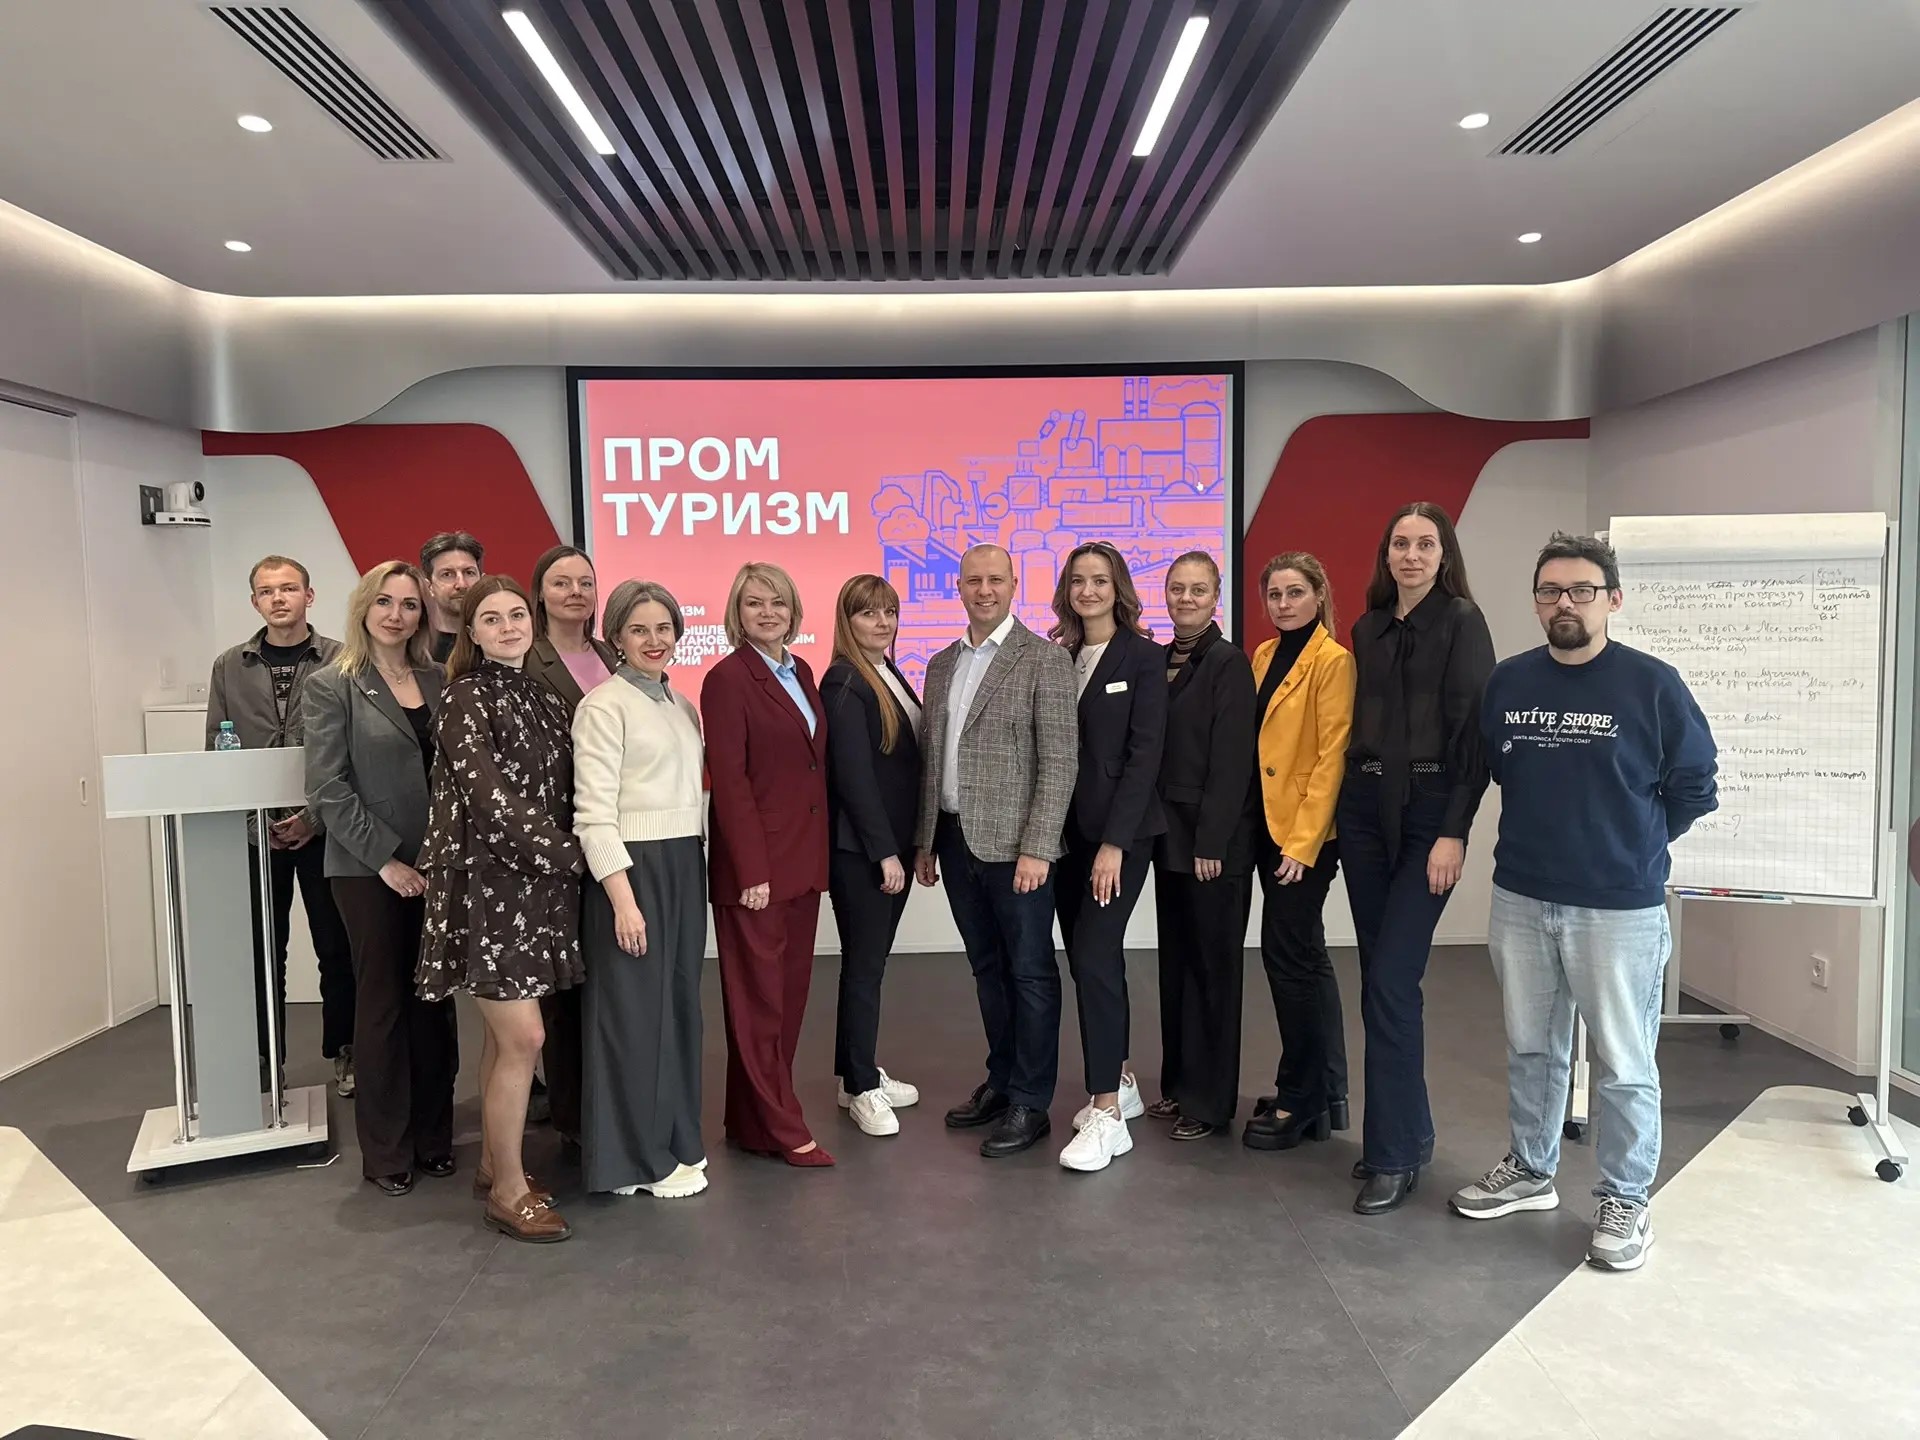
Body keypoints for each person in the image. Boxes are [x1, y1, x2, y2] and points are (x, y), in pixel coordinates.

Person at [1453, 533, 1717, 1273]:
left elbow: (1695, 786)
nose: (1564, 603)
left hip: (1618, 907)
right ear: (1536, 601)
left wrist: (1632, 844)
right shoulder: (1509, 682)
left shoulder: (1652, 685)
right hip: (1522, 895)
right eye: (1550, 591)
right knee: (1532, 1047)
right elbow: (1495, 770)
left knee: (1624, 1061)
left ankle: (1626, 1198)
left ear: (1613, 600)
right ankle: (1531, 1169)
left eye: (1581, 590)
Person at [415, 575, 584, 1242]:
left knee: (499, 1038)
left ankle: (493, 1165)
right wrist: (572, 853)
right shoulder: (464, 696)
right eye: (492, 618)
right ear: (471, 631)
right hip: (487, 888)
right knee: (525, 1039)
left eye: (517, 614)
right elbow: (489, 799)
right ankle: (509, 1195)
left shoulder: (541, 696)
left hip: (534, 886)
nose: (509, 626)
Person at [1341, 502, 1496, 1215]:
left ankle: (1395, 1154)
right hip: (1365, 811)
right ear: (1386, 554)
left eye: (1424, 544)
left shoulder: (1462, 621)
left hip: (1429, 813)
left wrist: (1454, 831)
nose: (1410, 555)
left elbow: (1473, 736)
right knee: (1380, 977)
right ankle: (1403, 1134)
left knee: (1393, 980)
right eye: (1399, 543)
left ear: (1443, 554)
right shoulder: (1367, 628)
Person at [916, 544, 1078, 1160]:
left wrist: (1039, 847)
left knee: (1030, 972)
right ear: (958, 587)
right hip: (956, 840)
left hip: (1018, 850)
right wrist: (926, 839)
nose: (984, 590)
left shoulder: (1044, 660)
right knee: (987, 968)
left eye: (995, 580)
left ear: (1014, 584)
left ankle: (1031, 1102)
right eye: (973, 581)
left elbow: (1060, 761)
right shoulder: (941, 664)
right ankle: (1003, 1081)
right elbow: (934, 759)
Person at [302, 561, 457, 1196]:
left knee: (435, 1003)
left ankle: (434, 1138)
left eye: (410, 604)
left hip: (439, 864)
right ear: (364, 608)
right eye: (385, 602)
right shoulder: (331, 685)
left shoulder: (439, 678)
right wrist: (387, 861)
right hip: (369, 871)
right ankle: (387, 1151)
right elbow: (327, 789)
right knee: (384, 1005)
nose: (397, 614)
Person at [572, 580, 711, 1199]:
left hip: (682, 863)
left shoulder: (681, 704)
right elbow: (592, 815)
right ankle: (633, 1163)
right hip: (631, 872)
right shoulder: (603, 706)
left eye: (664, 628)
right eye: (638, 629)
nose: (654, 640)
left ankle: (673, 1140)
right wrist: (623, 901)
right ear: (616, 637)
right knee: (631, 1018)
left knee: (676, 1010)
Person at [205, 555, 353, 1096]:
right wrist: (254, 822)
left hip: (328, 828)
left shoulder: (343, 659)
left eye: (288, 588)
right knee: (264, 951)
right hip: (257, 834)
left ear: (309, 596)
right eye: (267, 591)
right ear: (255, 602)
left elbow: (356, 748)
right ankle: (267, 1060)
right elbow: (217, 750)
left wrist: (314, 817)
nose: (278, 598)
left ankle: (346, 1050)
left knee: (336, 946)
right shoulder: (229, 665)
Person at [702, 563, 834, 1167]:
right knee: (758, 1004)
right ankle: (783, 1128)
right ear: (737, 612)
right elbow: (728, 782)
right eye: (754, 603)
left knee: (788, 998)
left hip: (802, 861)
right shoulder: (728, 678)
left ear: (793, 611)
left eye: (777, 602)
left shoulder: (800, 671)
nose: (767, 612)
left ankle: (752, 1121)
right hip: (757, 871)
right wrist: (752, 869)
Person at [1049, 542, 1167, 1172]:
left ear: (1117, 587)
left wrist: (1115, 844)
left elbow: (1145, 756)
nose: (1088, 590)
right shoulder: (1060, 655)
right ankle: (1119, 1078)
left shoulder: (1143, 657)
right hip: (1064, 836)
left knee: (1094, 956)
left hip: (1118, 839)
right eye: (1078, 580)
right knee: (1090, 960)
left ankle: (1107, 1115)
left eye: (1099, 579)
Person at [1240, 554, 1356, 1155]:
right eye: (1275, 594)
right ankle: (1323, 1092)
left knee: (1286, 958)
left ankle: (1300, 1095)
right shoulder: (1263, 655)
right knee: (1305, 956)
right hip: (1266, 826)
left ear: (1319, 596)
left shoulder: (1333, 662)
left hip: (1302, 839)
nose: (1284, 604)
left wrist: (1304, 844)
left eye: (1295, 593)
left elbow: (1333, 756)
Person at [1151, 551, 1257, 1142]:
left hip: (1213, 844)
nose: (1186, 599)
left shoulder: (1228, 663)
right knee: (1176, 966)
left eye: (1197, 589)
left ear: (1216, 596)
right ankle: (1178, 1085)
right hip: (1169, 838)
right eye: (1177, 588)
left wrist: (1212, 840)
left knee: (1213, 973)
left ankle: (1211, 1103)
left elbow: (1232, 760)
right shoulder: (1160, 659)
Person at [523, 544, 620, 1153]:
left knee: (604, 977)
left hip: (612, 829)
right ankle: (572, 1119)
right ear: (540, 592)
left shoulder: (612, 654)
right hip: (557, 835)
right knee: (563, 984)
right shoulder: (527, 659)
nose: (575, 593)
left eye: (585, 582)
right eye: (562, 583)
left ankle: (607, 1101)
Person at [819, 576, 924, 1138]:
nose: (882, 622)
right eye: (868, 613)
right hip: (863, 852)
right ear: (847, 620)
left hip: (891, 846)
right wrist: (885, 853)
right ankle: (861, 1086)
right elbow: (855, 780)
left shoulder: (886, 671)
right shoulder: (844, 681)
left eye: (889, 611)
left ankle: (854, 1073)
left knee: (870, 963)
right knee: (864, 967)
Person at [419, 531, 484, 665]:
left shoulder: (501, 639)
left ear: (482, 581)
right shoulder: (416, 648)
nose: (461, 584)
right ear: (429, 586)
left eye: (469, 573)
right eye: (447, 574)